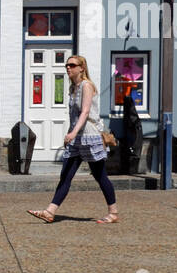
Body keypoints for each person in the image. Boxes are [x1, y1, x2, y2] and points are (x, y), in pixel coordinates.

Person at [28, 55, 118, 224]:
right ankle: (50, 211)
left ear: (81, 68)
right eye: (67, 65)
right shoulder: (73, 87)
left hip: (89, 136)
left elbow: (84, 112)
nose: (68, 68)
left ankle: (113, 212)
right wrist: (71, 133)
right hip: (76, 137)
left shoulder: (87, 85)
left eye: (72, 65)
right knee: (66, 175)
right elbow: (75, 116)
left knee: (100, 175)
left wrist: (72, 133)